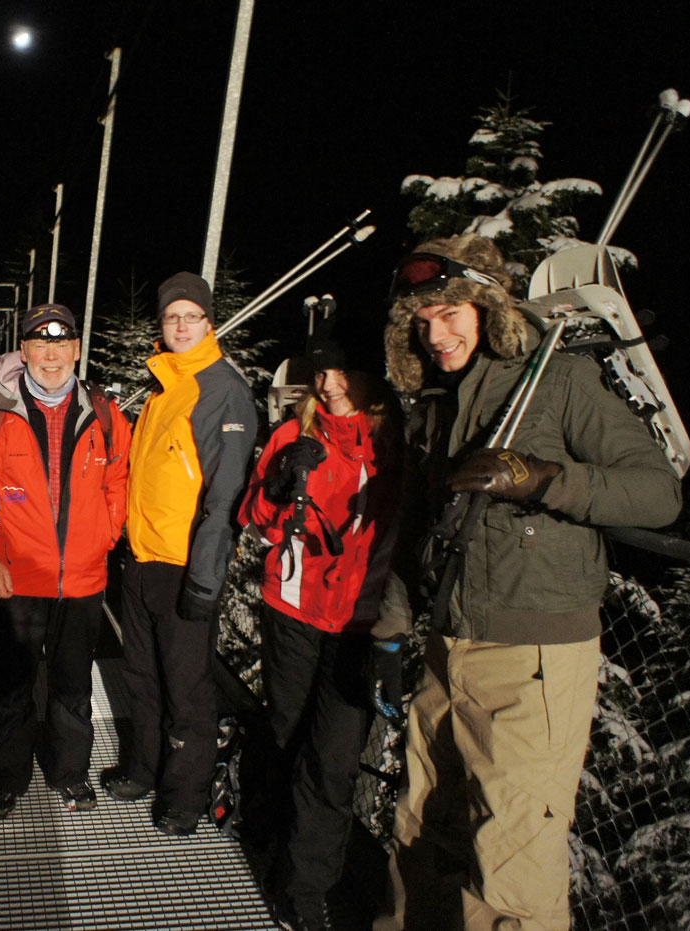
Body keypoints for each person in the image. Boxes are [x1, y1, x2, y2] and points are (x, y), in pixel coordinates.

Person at [373, 235, 682, 931]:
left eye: (448, 312)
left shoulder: (558, 381)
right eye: (420, 321)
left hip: (535, 662)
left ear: (485, 303)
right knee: (421, 830)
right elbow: (413, 528)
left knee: (511, 862)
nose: (434, 332)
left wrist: (540, 478)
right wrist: (392, 634)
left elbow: (657, 494)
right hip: (447, 648)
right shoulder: (436, 401)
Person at [238, 325, 403, 931]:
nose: (330, 385)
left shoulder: (393, 446)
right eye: (321, 372)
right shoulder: (292, 431)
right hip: (292, 609)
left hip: (356, 622)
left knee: (333, 763)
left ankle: (305, 891)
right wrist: (280, 482)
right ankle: (266, 830)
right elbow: (253, 517)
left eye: (344, 372)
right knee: (284, 730)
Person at [0, 303, 131, 818]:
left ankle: (69, 772)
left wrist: (104, 536)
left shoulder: (106, 414)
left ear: (75, 349)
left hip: (82, 578)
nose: (50, 355)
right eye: (39, 344)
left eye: (61, 344)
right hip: (16, 575)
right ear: (23, 351)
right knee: (12, 682)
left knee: (73, 684)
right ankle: (7, 777)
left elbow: (119, 482)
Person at [101, 271, 259, 836]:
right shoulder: (165, 389)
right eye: (172, 317)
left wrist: (206, 575)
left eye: (192, 316)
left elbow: (225, 494)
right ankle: (145, 768)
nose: (182, 325)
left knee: (187, 687)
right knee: (141, 675)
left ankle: (184, 796)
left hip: (185, 565)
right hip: (142, 559)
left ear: (209, 323)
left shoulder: (222, 391)